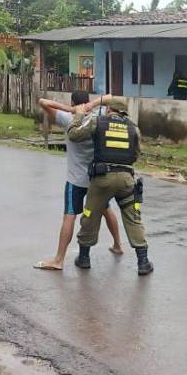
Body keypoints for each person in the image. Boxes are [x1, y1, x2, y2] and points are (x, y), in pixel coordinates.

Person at [34, 91, 124, 270]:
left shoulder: (68, 119)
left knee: (69, 216)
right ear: (88, 101)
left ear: (74, 102)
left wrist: (71, 110)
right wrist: (90, 107)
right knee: (106, 210)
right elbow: (111, 97)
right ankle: (118, 245)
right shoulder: (97, 119)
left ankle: (59, 259)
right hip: (95, 179)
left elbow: (42, 102)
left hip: (75, 180)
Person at [67, 97, 154, 275]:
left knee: (90, 215)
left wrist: (78, 115)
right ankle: (143, 261)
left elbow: (74, 135)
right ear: (124, 112)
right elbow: (136, 154)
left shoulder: (97, 121)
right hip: (126, 180)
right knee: (133, 218)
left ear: (108, 110)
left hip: (102, 180)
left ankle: (84, 258)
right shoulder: (133, 128)